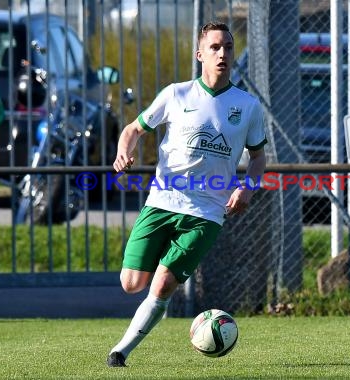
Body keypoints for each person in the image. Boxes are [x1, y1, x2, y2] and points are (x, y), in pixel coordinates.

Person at [107, 21, 267, 367]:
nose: (222, 53)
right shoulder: (176, 94)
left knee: (163, 283)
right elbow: (134, 129)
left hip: (207, 212)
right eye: (214, 47)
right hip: (162, 202)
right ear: (200, 55)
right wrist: (124, 152)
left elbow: (258, 159)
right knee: (131, 283)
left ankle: (120, 352)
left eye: (228, 47)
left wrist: (248, 189)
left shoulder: (248, 106)